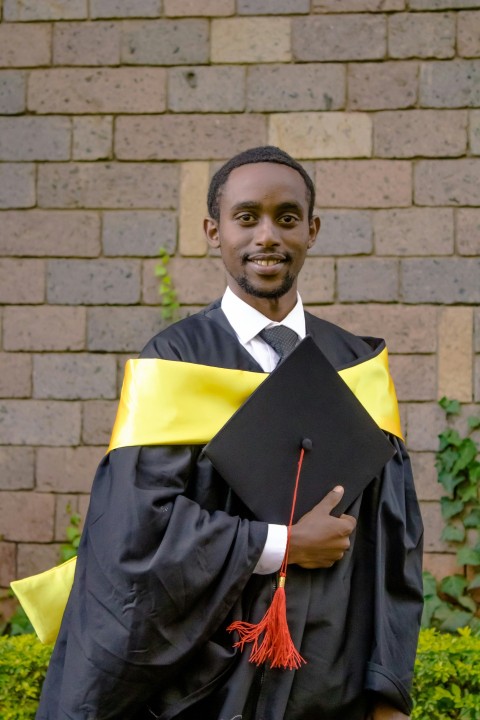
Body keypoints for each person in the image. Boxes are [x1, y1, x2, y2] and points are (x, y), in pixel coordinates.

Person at [36, 146, 423, 720]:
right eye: (247, 217)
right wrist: (282, 544)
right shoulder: (175, 362)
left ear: (311, 231)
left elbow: (393, 546)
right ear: (214, 232)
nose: (267, 235)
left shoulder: (356, 368)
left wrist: (388, 692)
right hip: (205, 685)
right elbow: (135, 529)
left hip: (329, 678)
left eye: (287, 217)